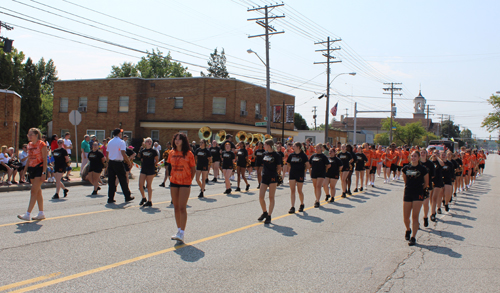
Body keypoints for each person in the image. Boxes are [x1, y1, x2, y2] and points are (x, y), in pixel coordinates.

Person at [168, 133, 196, 242]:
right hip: (174, 182)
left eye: (179, 139)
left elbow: (193, 169)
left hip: (185, 183)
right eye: (175, 139)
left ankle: (182, 233)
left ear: (183, 141)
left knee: (182, 207)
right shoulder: (171, 153)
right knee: (175, 207)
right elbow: (169, 166)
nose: (177, 141)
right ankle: (178, 230)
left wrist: (189, 180)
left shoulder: (189, 154)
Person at [17, 128, 48, 221]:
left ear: (36, 135)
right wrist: (24, 171)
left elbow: (45, 159)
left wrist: (44, 172)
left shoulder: (42, 144)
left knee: (33, 191)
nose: (29, 136)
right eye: (28, 134)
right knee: (38, 191)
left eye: (31, 134)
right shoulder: (29, 145)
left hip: (39, 168)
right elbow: (29, 159)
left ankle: (27, 214)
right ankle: (41, 213)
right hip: (31, 169)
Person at [402, 150, 428, 246]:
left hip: (418, 193)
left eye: (415, 156)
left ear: (418, 158)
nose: (413, 158)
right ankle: (408, 229)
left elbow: (426, 183)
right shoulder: (405, 168)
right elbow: (405, 179)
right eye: (412, 156)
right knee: (406, 217)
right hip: (408, 192)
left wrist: (420, 189)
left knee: (415, 216)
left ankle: (413, 237)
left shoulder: (423, 169)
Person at [106, 128, 134, 204]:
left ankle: (110, 198)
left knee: (111, 181)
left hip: (111, 162)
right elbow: (123, 153)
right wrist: (128, 161)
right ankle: (127, 196)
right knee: (123, 180)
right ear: (119, 134)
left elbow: (107, 153)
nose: (121, 134)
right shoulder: (121, 142)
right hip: (118, 162)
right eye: (121, 133)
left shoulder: (110, 142)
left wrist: (107, 163)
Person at [257, 139, 282, 224]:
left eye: (264, 144)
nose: (263, 146)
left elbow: (279, 167)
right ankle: (265, 212)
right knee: (261, 197)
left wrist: (277, 175)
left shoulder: (276, 155)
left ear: (268, 145)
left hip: (272, 177)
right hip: (265, 176)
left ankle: (269, 215)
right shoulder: (264, 153)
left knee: (271, 197)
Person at [287, 142, 310, 213]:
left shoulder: (303, 155)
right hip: (292, 174)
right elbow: (288, 164)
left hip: (300, 174)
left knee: (299, 191)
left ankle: (302, 204)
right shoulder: (291, 155)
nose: (292, 147)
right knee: (292, 191)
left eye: (294, 146)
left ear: (298, 147)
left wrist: (302, 169)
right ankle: (292, 206)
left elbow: (308, 165)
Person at [136, 137, 159, 206]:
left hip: (150, 169)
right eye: (148, 141)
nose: (149, 142)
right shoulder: (143, 151)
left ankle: (149, 200)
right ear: (145, 143)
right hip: (143, 169)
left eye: (150, 141)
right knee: (140, 185)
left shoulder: (154, 151)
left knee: (148, 185)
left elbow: (156, 160)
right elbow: (141, 158)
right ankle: (143, 198)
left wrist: (153, 166)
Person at [309, 143, 330, 208]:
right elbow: (309, 164)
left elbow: (328, 165)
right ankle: (316, 198)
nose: (316, 149)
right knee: (315, 187)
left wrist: (325, 169)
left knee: (318, 186)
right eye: (316, 148)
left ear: (321, 148)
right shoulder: (313, 156)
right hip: (314, 172)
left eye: (318, 148)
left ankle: (317, 201)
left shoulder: (323, 156)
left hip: (321, 173)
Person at [419, 149, 434, 227]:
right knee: (417, 204)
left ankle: (425, 217)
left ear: (427, 154)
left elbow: (433, 175)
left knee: (425, 203)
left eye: (424, 153)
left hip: (427, 185)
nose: (423, 154)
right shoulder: (417, 163)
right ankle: (416, 221)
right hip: (418, 186)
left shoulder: (430, 164)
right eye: (421, 153)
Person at [430, 150, 444, 222]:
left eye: (437, 153)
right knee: (430, 197)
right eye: (434, 153)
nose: (435, 154)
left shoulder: (439, 161)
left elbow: (442, 164)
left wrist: (438, 157)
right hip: (430, 181)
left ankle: (433, 213)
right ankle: (434, 209)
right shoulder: (430, 162)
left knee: (434, 197)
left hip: (438, 180)